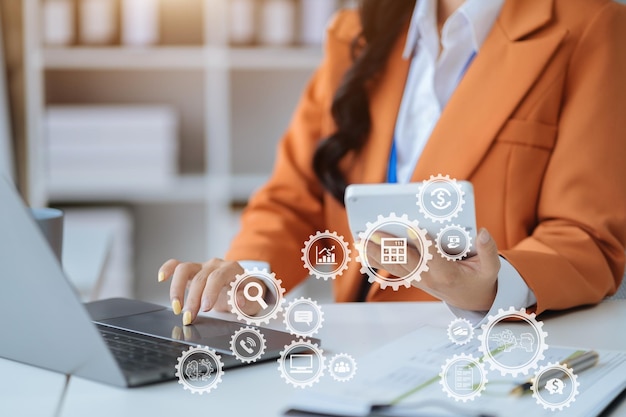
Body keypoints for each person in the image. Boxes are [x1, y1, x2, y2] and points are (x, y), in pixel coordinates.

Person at [158, 0, 626, 326]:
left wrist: (490, 287)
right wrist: (249, 274)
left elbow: (588, 237)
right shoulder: (357, 31)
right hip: (358, 348)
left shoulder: (590, 27)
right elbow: (293, 201)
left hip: (486, 348)